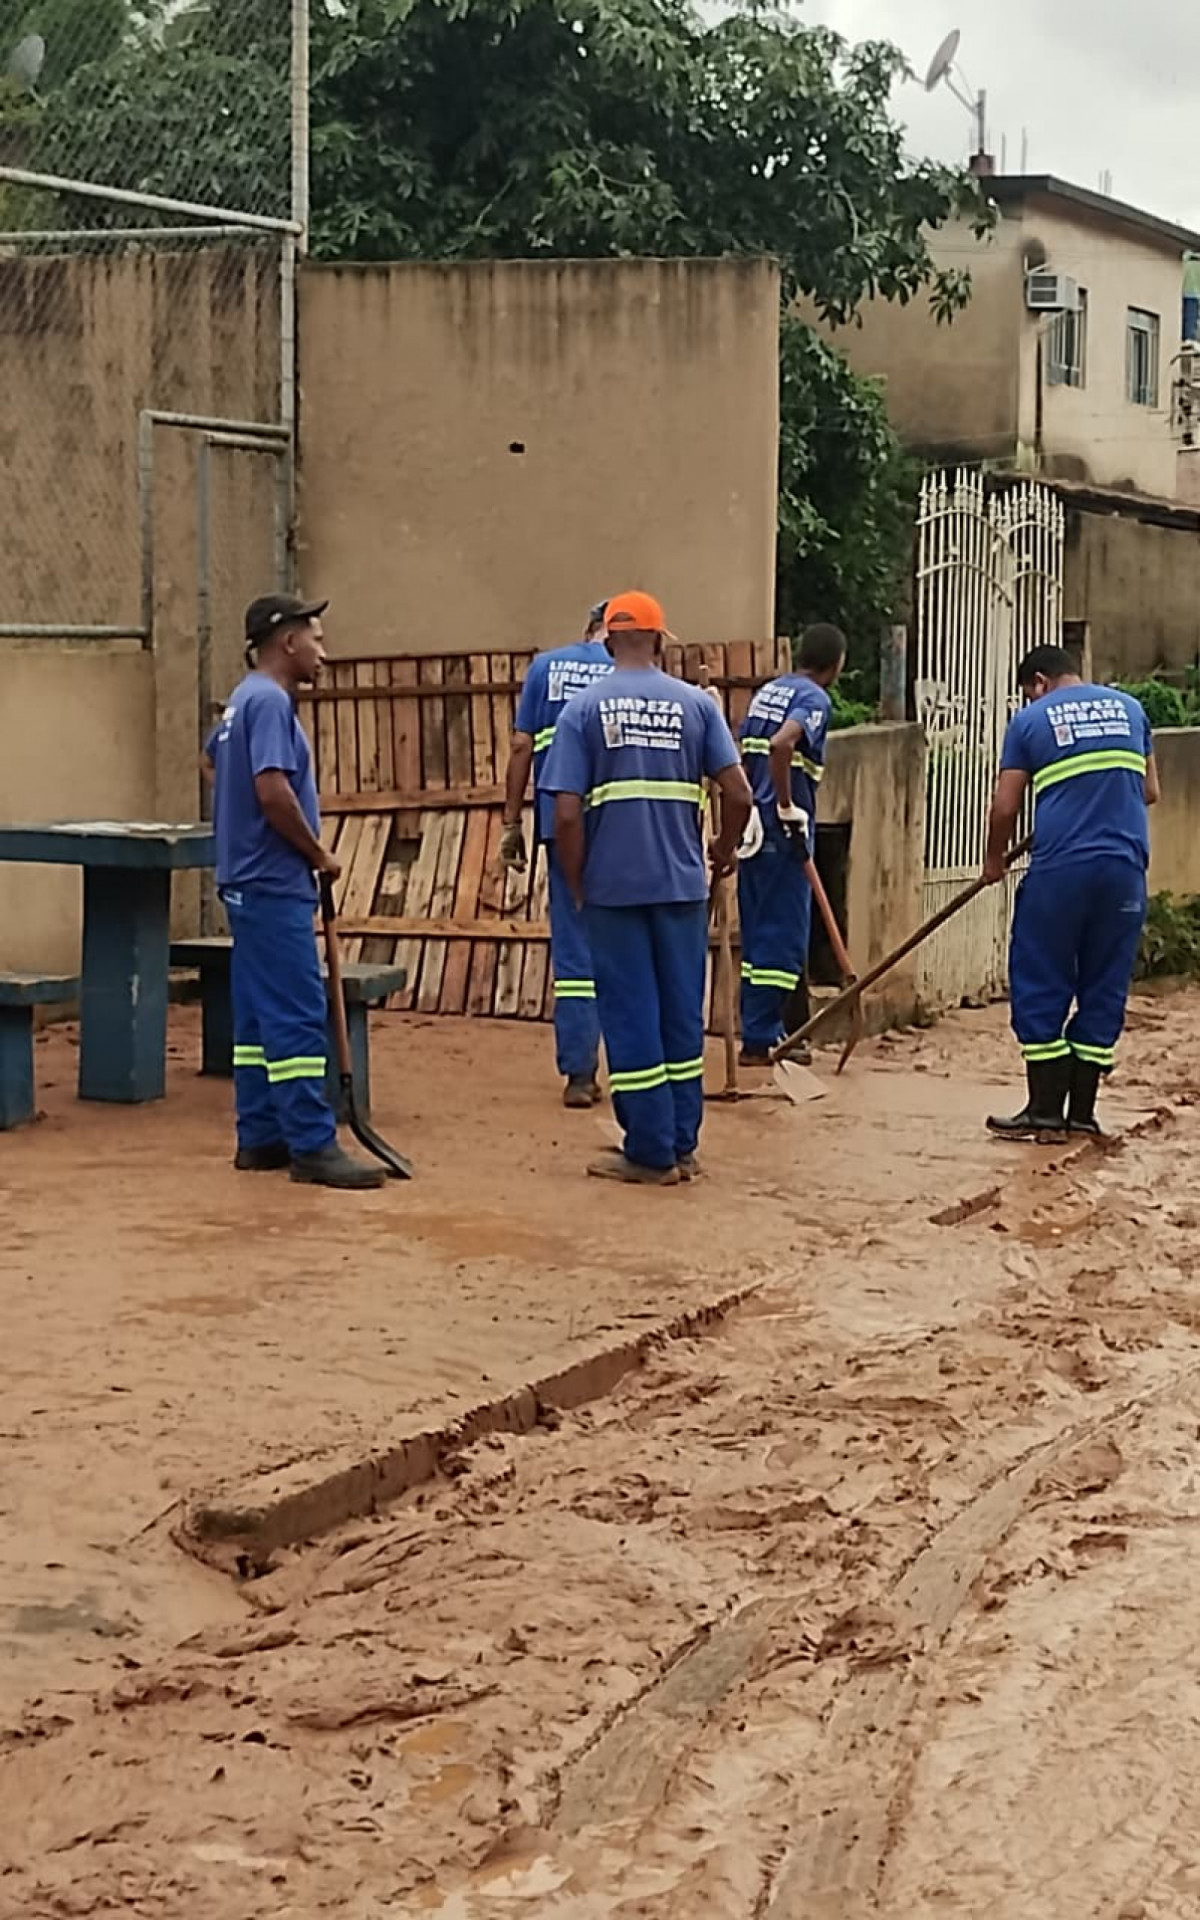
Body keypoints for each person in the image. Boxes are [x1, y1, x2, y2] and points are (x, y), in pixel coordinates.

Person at [543, 590, 752, 1186]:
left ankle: (650, 1152)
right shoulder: (697, 706)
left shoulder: (582, 711)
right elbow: (738, 793)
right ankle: (682, 1144)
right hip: (683, 888)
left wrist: (580, 884)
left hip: (615, 889)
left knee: (632, 1018)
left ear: (608, 641)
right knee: (680, 1016)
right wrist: (724, 850)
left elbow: (564, 815)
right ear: (660, 641)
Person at [206, 593, 386, 1190]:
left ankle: (259, 1136)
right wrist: (318, 854)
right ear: (287, 641)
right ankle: (313, 1144)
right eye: (317, 638)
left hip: (245, 878)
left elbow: (214, 762)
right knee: (296, 1011)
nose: (324, 653)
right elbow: (273, 790)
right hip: (273, 879)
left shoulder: (241, 702)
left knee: (258, 1016)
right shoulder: (271, 702)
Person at [982, 644, 1158, 1139]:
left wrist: (995, 861)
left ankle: (1042, 1112)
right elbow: (1150, 792)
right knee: (1104, 985)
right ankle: (1081, 1114)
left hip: (1062, 871)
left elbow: (1004, 805)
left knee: (1041, 977)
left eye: (1027, 691)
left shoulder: (1031, 721)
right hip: (1125, 870)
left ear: (1038, 682)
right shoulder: (1131, 709)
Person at [500, 600, 613, 1108]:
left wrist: (510, 823)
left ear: (586, 629)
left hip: (558, 821)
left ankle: (580, 1075)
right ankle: (637, 1072)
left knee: (574, 949)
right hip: (618, 826)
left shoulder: (545, 667)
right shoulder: (629, 672)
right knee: (624, 945)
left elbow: (522, 747)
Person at [736, 624, 847, 1064]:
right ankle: (764, 1038)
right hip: (785, 832)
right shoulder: (813, 699)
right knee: (783, 939)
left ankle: (757, 1033)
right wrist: (785, 805)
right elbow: (783, 745)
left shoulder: (768, 692)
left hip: (753, 828)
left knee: (757, 936)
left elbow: (746, 753)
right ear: (835, 664)